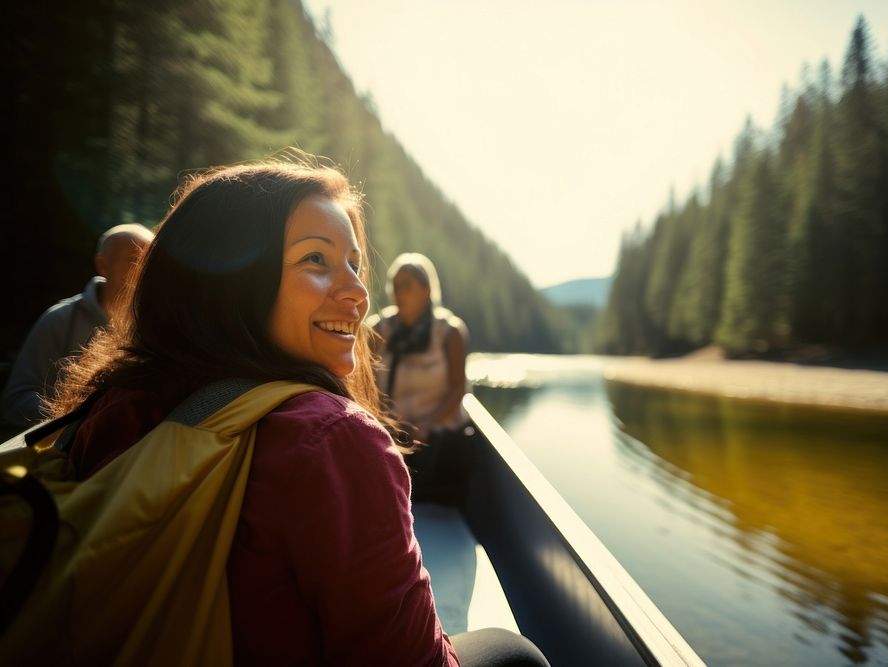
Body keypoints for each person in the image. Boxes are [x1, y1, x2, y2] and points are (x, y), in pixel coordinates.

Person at [44, 156, 547, 666]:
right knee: (512, 652)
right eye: (316, 260)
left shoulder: (108, 403)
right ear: (233, 281)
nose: (357, 292)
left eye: (354, 263)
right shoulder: (334, 440)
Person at [1, 223, 153, 429]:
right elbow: (15, 400)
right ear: (103, 265)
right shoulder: (60, 320)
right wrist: (73, 418)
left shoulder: (153, 327)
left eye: (148, 262)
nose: (142, 271)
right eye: (133, 260)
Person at [369, 253, 474, 504]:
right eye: (395, 286)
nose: (398, 293)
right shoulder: (378, 329)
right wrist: (385, 425)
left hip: (438, 440)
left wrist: (426, 426)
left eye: (406, 286)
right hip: (392, 436)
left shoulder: (449, 331)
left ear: (426, 290)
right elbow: (367, 385)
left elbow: (459, 388)